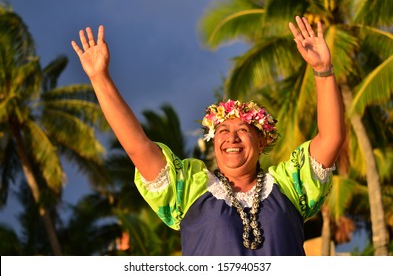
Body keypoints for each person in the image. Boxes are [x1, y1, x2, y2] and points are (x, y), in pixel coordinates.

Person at [71, 15, 345, 255]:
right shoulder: (189, 188)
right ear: (214, 142)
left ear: (261, 141)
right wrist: (99, 78)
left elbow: (331, 138)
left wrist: (322, 70)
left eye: (242, 130)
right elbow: (138, 148)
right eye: (223, 131)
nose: (232, 138)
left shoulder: (290, 184)